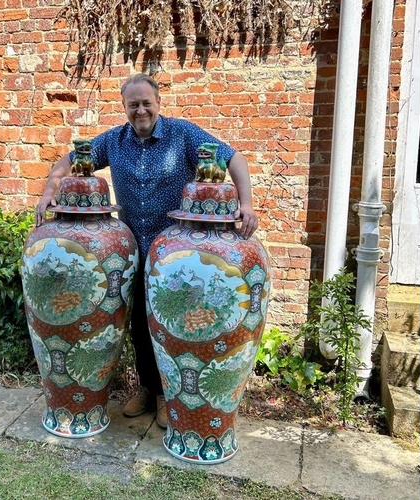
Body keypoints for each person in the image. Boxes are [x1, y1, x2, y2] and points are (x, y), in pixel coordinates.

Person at [35, 73, 259, 429]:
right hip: (131, 251)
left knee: (175, 325)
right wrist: (50, 189)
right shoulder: (114, 141)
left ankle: (170, 398)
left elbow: (235, 159)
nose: (140, 110)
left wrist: (246, 203)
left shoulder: (182, 134)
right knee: (139, 323)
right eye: (133, 104)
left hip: (176, 257)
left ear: (158, 103)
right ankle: (147, 389)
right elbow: (67, 162)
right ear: (125, 107)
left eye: (146, 103)